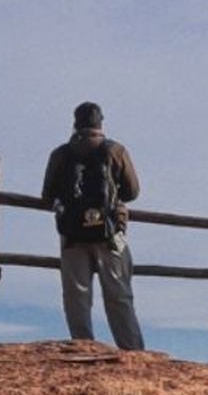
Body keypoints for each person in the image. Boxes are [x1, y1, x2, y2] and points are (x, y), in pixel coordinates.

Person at [41, 101, 145, 351]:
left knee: (77, 295)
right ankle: (131, 350)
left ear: (75, 122)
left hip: (72, 235)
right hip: (109, 232)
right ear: (100, 123)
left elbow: (47, 196)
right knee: (118, 295)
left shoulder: (61, 154)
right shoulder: (115, 150)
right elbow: (132, 192)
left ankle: (83, 345)